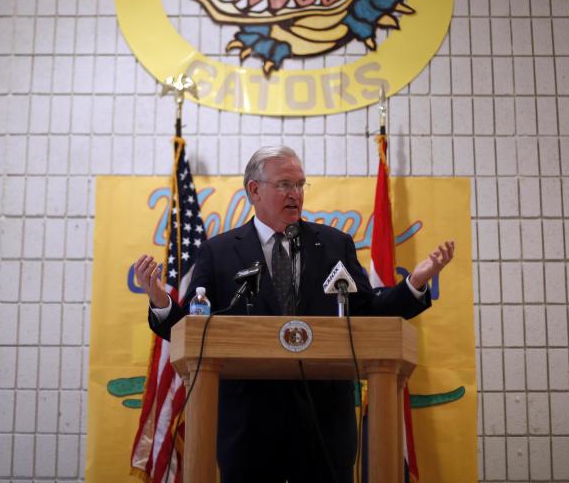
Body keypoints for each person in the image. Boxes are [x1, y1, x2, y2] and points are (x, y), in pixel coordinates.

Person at [135, 145, 455, 483]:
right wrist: (159, 299)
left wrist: (415, 282)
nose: (296, 194)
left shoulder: (334, 244)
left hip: (325, 428)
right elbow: (189, 329)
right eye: (285, 184)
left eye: (301, 185)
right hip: (249, 431)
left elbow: (368, 312)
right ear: (254, 190)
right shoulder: (218, 252)